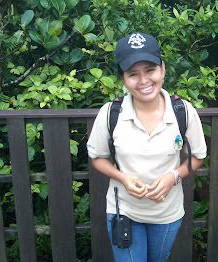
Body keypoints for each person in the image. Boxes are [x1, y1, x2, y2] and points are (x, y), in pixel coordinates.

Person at [87, 32, 207, 262]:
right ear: (123, 78)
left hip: (167, 213)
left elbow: (197, 157)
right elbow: (97, 157)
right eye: (133, 74)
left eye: (150, 70)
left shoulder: (183, 111)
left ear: (162, 68)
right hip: (123, 211)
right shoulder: (110, 113)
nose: (143, 81)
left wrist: (173, 176)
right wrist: (122, 177)